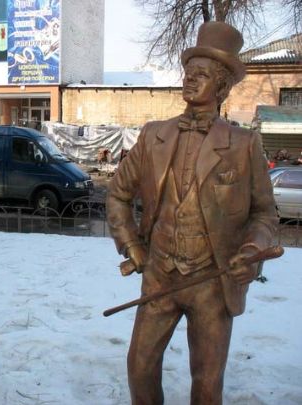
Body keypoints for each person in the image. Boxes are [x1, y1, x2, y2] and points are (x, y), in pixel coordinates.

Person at [106, 22, 277, 404]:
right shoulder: (153, 136)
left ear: (220, 87)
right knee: (139, 366)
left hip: (213, 282)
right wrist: (133, 249)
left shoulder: (243, 144)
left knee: (206, 382)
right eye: (187, 73)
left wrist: (251, 253)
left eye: (200, 76)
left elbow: (265, 215)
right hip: (160, 275)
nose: (189, 81)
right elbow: (117, 195)